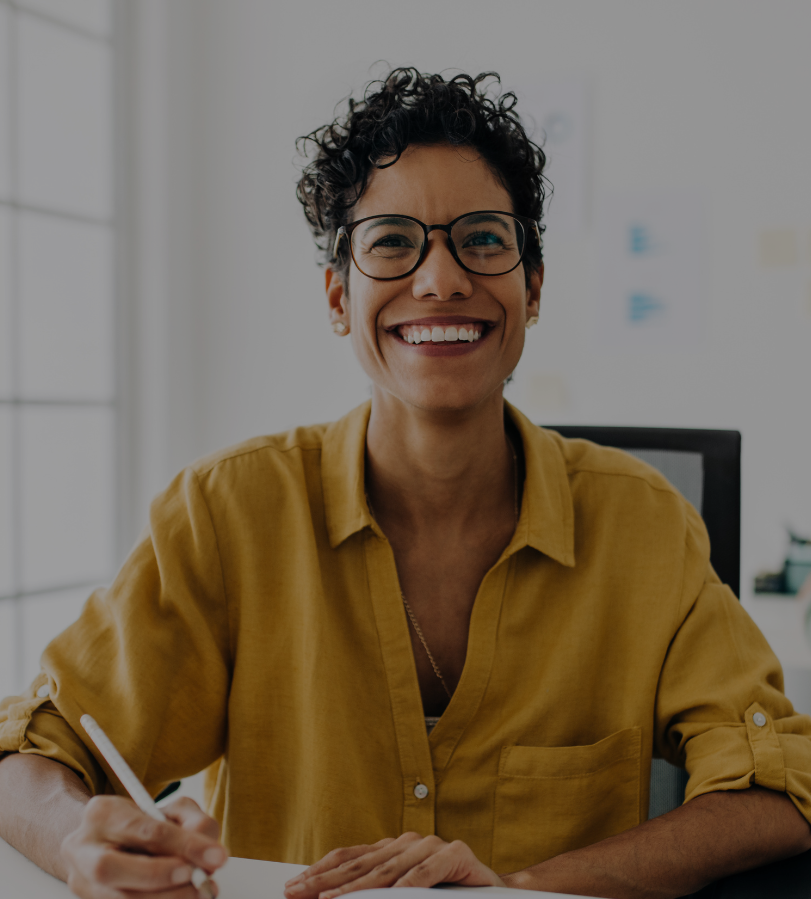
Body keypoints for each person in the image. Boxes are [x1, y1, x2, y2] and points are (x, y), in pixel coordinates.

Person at [1, 68, 811, 899]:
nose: (440, 278)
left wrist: (517, 890)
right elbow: (34, 750)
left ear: (532, 288)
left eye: (484, 239)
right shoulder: (229, 514)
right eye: (391, 240)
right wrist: (75, 840)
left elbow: (780, 784)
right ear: (336, 297)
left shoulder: (643, 523)